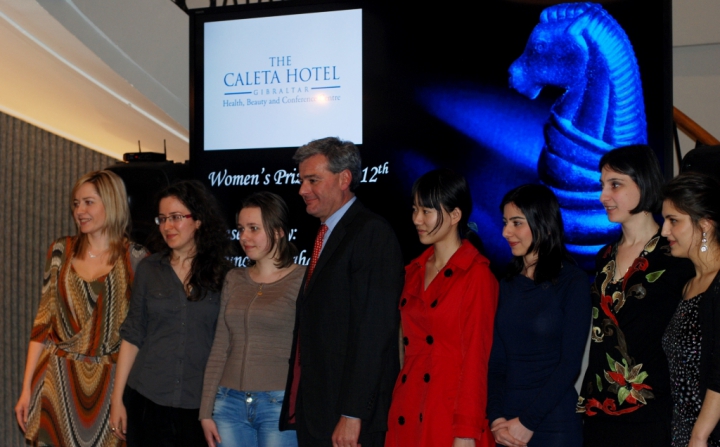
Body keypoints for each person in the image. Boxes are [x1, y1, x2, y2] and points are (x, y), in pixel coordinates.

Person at [279, 137, 405, 447]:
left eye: (313, 180)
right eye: (301, 180)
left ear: (344, 178)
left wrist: (352, 413)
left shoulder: (371, 233)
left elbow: (374, 331)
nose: (302, 190)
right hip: (318, 412)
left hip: (347, 419)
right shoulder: (326, 234)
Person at [14, 170, 147, 447]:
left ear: (111, 203)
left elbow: (138, 334)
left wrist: (123, 397)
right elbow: (43, 322)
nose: (79, 211)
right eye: (76, 204)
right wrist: (26, 388)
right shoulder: (60, 250)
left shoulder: (136, 258)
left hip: (110, 387)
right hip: (54, 381)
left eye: (88, 202)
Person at [576, 145, 694, 446]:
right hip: (598, 411)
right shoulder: (604, 256)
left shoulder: (677, 257)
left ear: (643, 183)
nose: (603, 196)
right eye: (603, 185)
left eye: (615, 184)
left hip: (652, 413)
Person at [109, 180, 232, 447]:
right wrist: (117, 400)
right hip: (146, 399)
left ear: (198, 220)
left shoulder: (225, 275)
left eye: (176, 217)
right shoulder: (149, 269)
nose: (167, 226)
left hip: (200, 407)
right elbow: (133, 335)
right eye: (162, 219)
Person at [385, 168, 498, 447]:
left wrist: (466, 431)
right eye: (415, 209)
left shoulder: (477, 275)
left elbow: (475, 359)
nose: (416, 219)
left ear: (455, 215)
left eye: (426, 211)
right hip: (407, 406)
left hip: (448, 414)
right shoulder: (412, 272)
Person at [488, 184, 590, 447]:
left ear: (544, 225)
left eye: (516, 223)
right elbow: (497, 363)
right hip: (507, 425)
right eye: (505, 223)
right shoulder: (506, 284)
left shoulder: (573, 282)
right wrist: (496, 418)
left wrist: (528, 422)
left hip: (554, 423)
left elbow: (570, 364)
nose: (506, 232)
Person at [199, 192, 304, 447]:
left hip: (278, 405)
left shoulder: (303, 279)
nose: (244, 237)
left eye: (253, 228)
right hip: (228, 403)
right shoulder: (234, 278)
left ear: (278, 231)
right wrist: (205, 411)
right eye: (240, 229)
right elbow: (220, 347)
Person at [661, 172, 720, 447]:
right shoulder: (688, 285)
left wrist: (700, 435)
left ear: (705, 225)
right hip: (684, 430)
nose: (664, 231)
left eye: (673, 220)